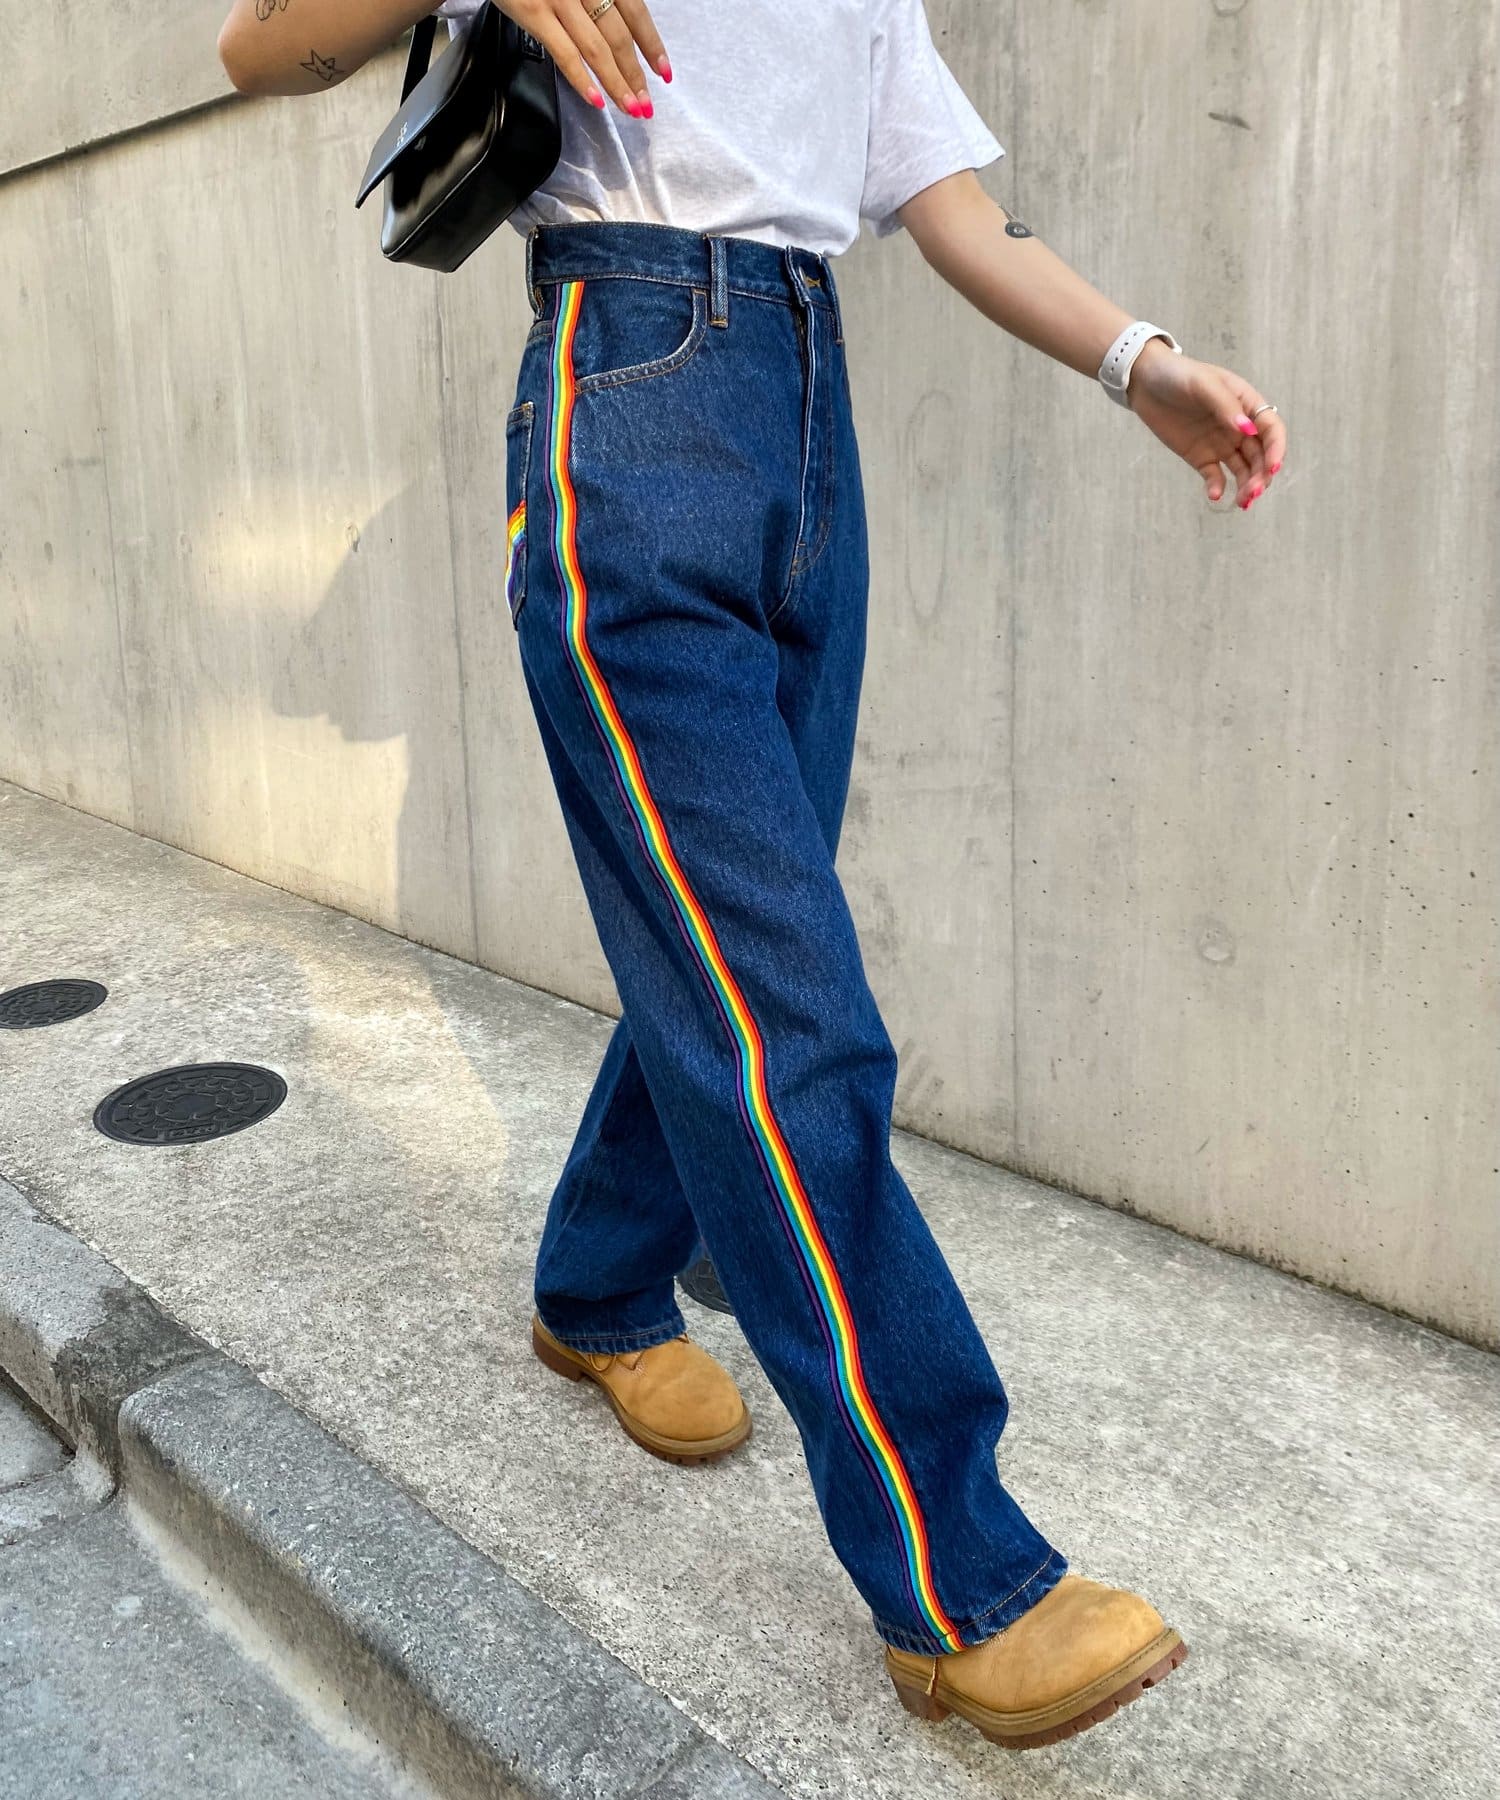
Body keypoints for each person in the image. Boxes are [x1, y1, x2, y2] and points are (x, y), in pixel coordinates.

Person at [217, 0, 1288, 1754]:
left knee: (728, 955)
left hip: (807, 423)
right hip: (629, 404)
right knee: (792, 1020)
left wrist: (1139, 363)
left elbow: (957, 212)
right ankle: (961, 1583)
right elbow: (256, 50)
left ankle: (594, 1290)